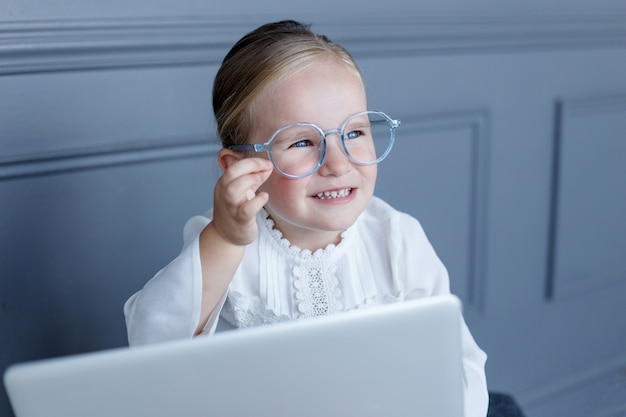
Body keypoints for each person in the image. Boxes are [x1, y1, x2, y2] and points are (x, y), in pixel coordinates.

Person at [124, 20, 488, 416]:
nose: (337, 162)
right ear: (241, 167)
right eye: (301, 141)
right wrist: (226, 240)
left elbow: (455, 360)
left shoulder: (398, 239)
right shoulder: (225, 244)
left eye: (354, 133)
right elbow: (153, 343)